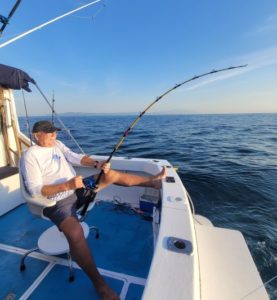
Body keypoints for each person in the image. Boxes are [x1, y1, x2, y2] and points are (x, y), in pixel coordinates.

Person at [21, 120, 166, 300]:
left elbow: (76, 157)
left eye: (55, 132)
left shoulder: (57, 144)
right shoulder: (30, 155)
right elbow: (35, 190)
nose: (54, 136)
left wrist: (97, 164)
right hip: (56, 202)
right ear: (36, 135)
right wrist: (66, 184)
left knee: (110, 175)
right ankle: (100, 285)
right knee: (75, 233)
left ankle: (154, 182)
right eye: (49, 133)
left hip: (77, 189)